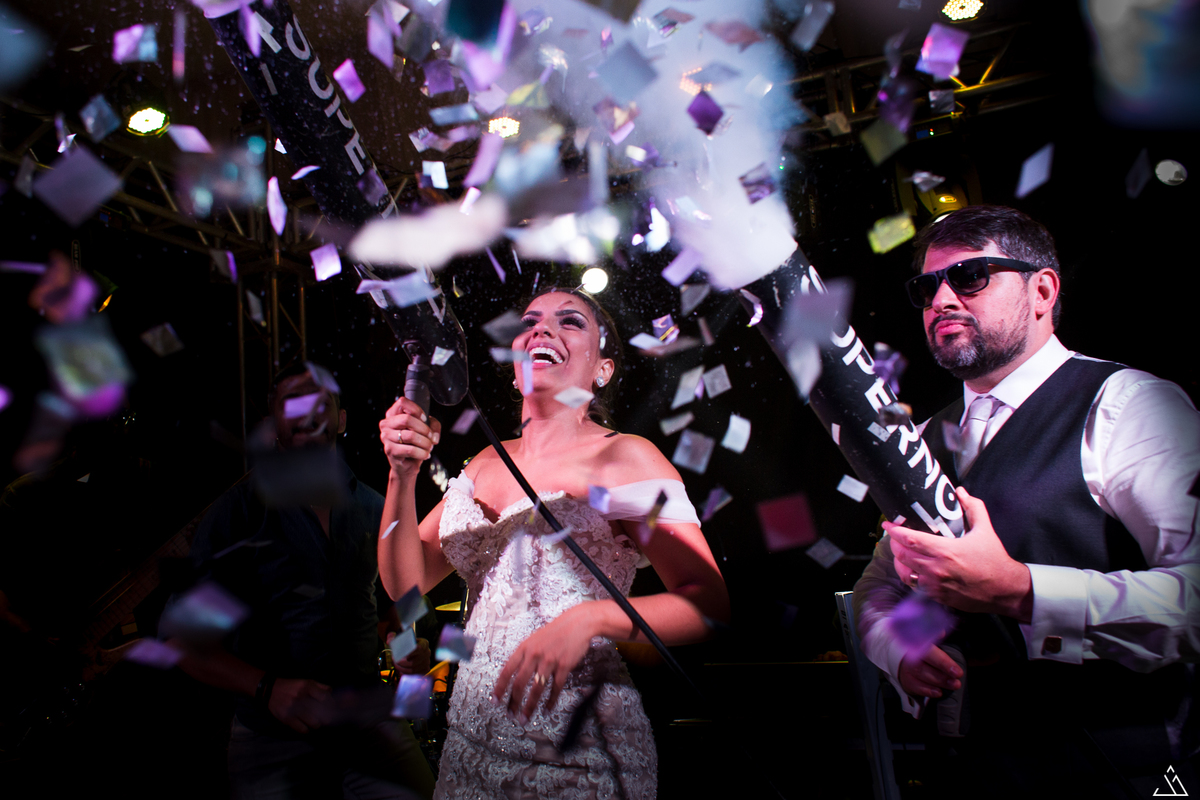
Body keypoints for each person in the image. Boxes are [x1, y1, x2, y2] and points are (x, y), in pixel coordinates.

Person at [853, 205, 1200, 796]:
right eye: (927, 286)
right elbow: (880, 586)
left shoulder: (1128, 405)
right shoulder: (927, 439)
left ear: (1042, 289)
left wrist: (1019, 590)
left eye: (970, 277)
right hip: (970, 772)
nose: (940, 300)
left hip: (1122, 768)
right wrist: (900, 647)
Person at [377, 288, 730, 800]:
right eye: (531, 320)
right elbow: (403, 585)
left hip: (580, 754)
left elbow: (709, 605)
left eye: (570, 322)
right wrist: (401, 476)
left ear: (602, 370)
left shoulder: (627, 457)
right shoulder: (482, 463)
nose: (542, 329)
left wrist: (593, 618)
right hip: (470, 754)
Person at [175, 364, 436, 800]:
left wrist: (406, 644)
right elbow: (183, 643)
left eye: (319, 398)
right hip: (270, 738)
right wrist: (266, 688)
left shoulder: (375, 506)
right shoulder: (236, 515)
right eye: (289, 401)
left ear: (341, 419)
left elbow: (399, 603)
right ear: (271, 424)